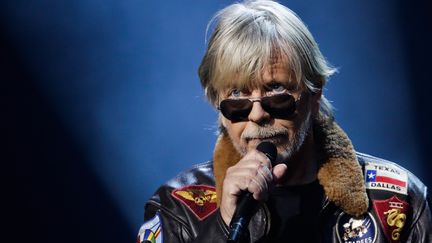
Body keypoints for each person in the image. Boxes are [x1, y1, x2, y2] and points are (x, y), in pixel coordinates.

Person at [137, 1, 432, 242]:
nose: (257, 114)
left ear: (314, 95)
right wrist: (226, 228)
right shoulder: (178, 211)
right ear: (218, 106)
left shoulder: (398, 202)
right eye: (237, 94)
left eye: (276, 90)